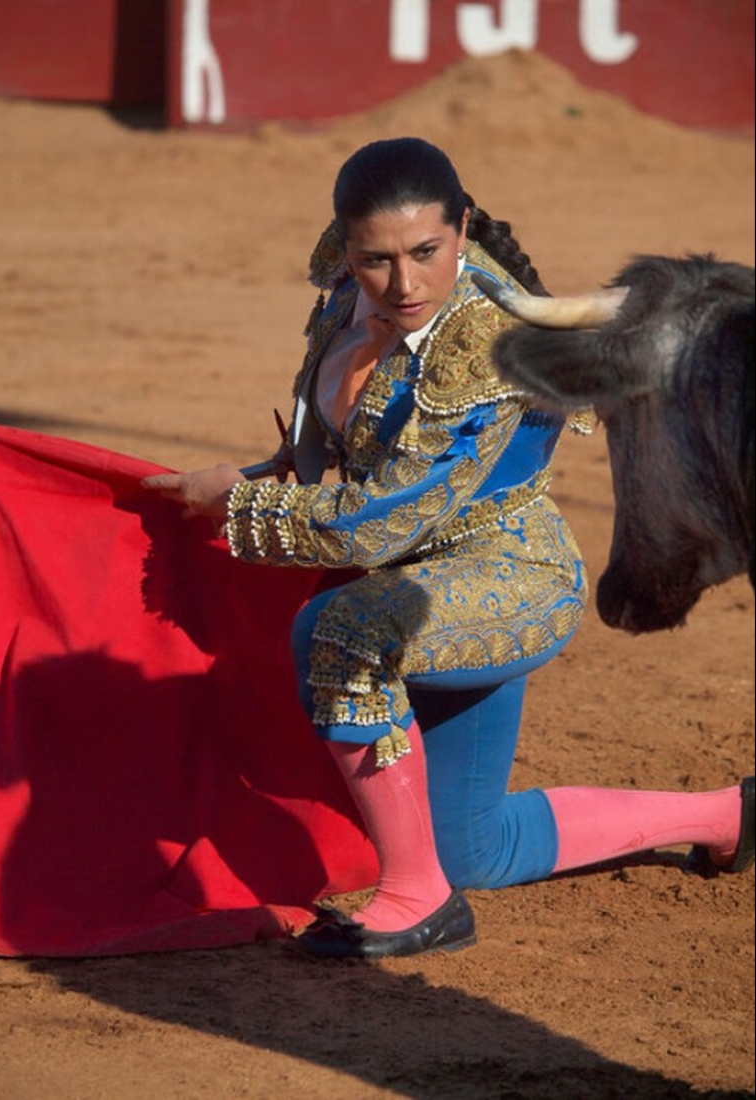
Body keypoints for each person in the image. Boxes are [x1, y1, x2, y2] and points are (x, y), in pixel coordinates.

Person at [143, 137, 754, 960]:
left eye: (425, 253)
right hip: (414, 577)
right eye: (377, 259)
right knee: (474, 846)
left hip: (506, 575)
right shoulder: (342, 288)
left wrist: (239, 505)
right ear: (346, 244)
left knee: (343, 633)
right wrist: (262, 472)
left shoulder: (486, 345)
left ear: (462, 227)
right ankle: (725, 817)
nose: (403, 284)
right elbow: (336, 450)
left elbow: (377, 525)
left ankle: (416, 898)